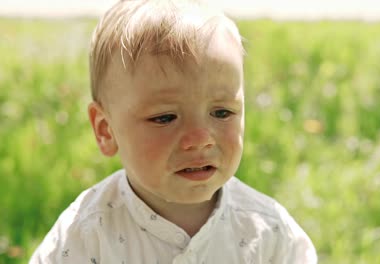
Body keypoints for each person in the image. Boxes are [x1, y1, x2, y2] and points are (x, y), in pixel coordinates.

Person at [30, 0, 317, 263]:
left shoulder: (269, 233)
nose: (201, 139)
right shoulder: (86, 234)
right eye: (165, 117)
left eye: (222, 112)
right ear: (106, 130)